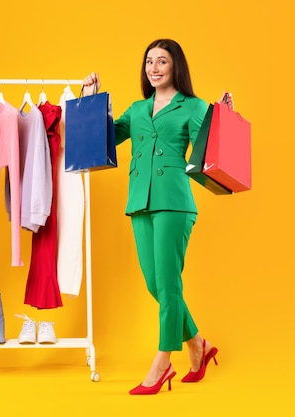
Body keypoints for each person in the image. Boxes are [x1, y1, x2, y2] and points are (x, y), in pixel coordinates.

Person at [82, 39, 219, 395]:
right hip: (139, 202)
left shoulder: (193, 106)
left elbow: (211, 144)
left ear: (176, 67)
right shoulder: (138, 109)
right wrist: (90, 101)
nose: (154, 68)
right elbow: (106, 138)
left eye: (162, 61)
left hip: (174, 201)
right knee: (155, 284)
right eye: (149, 62)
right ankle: (199, 345)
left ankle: (162, 361)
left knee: (169, 283)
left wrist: (224, 115)